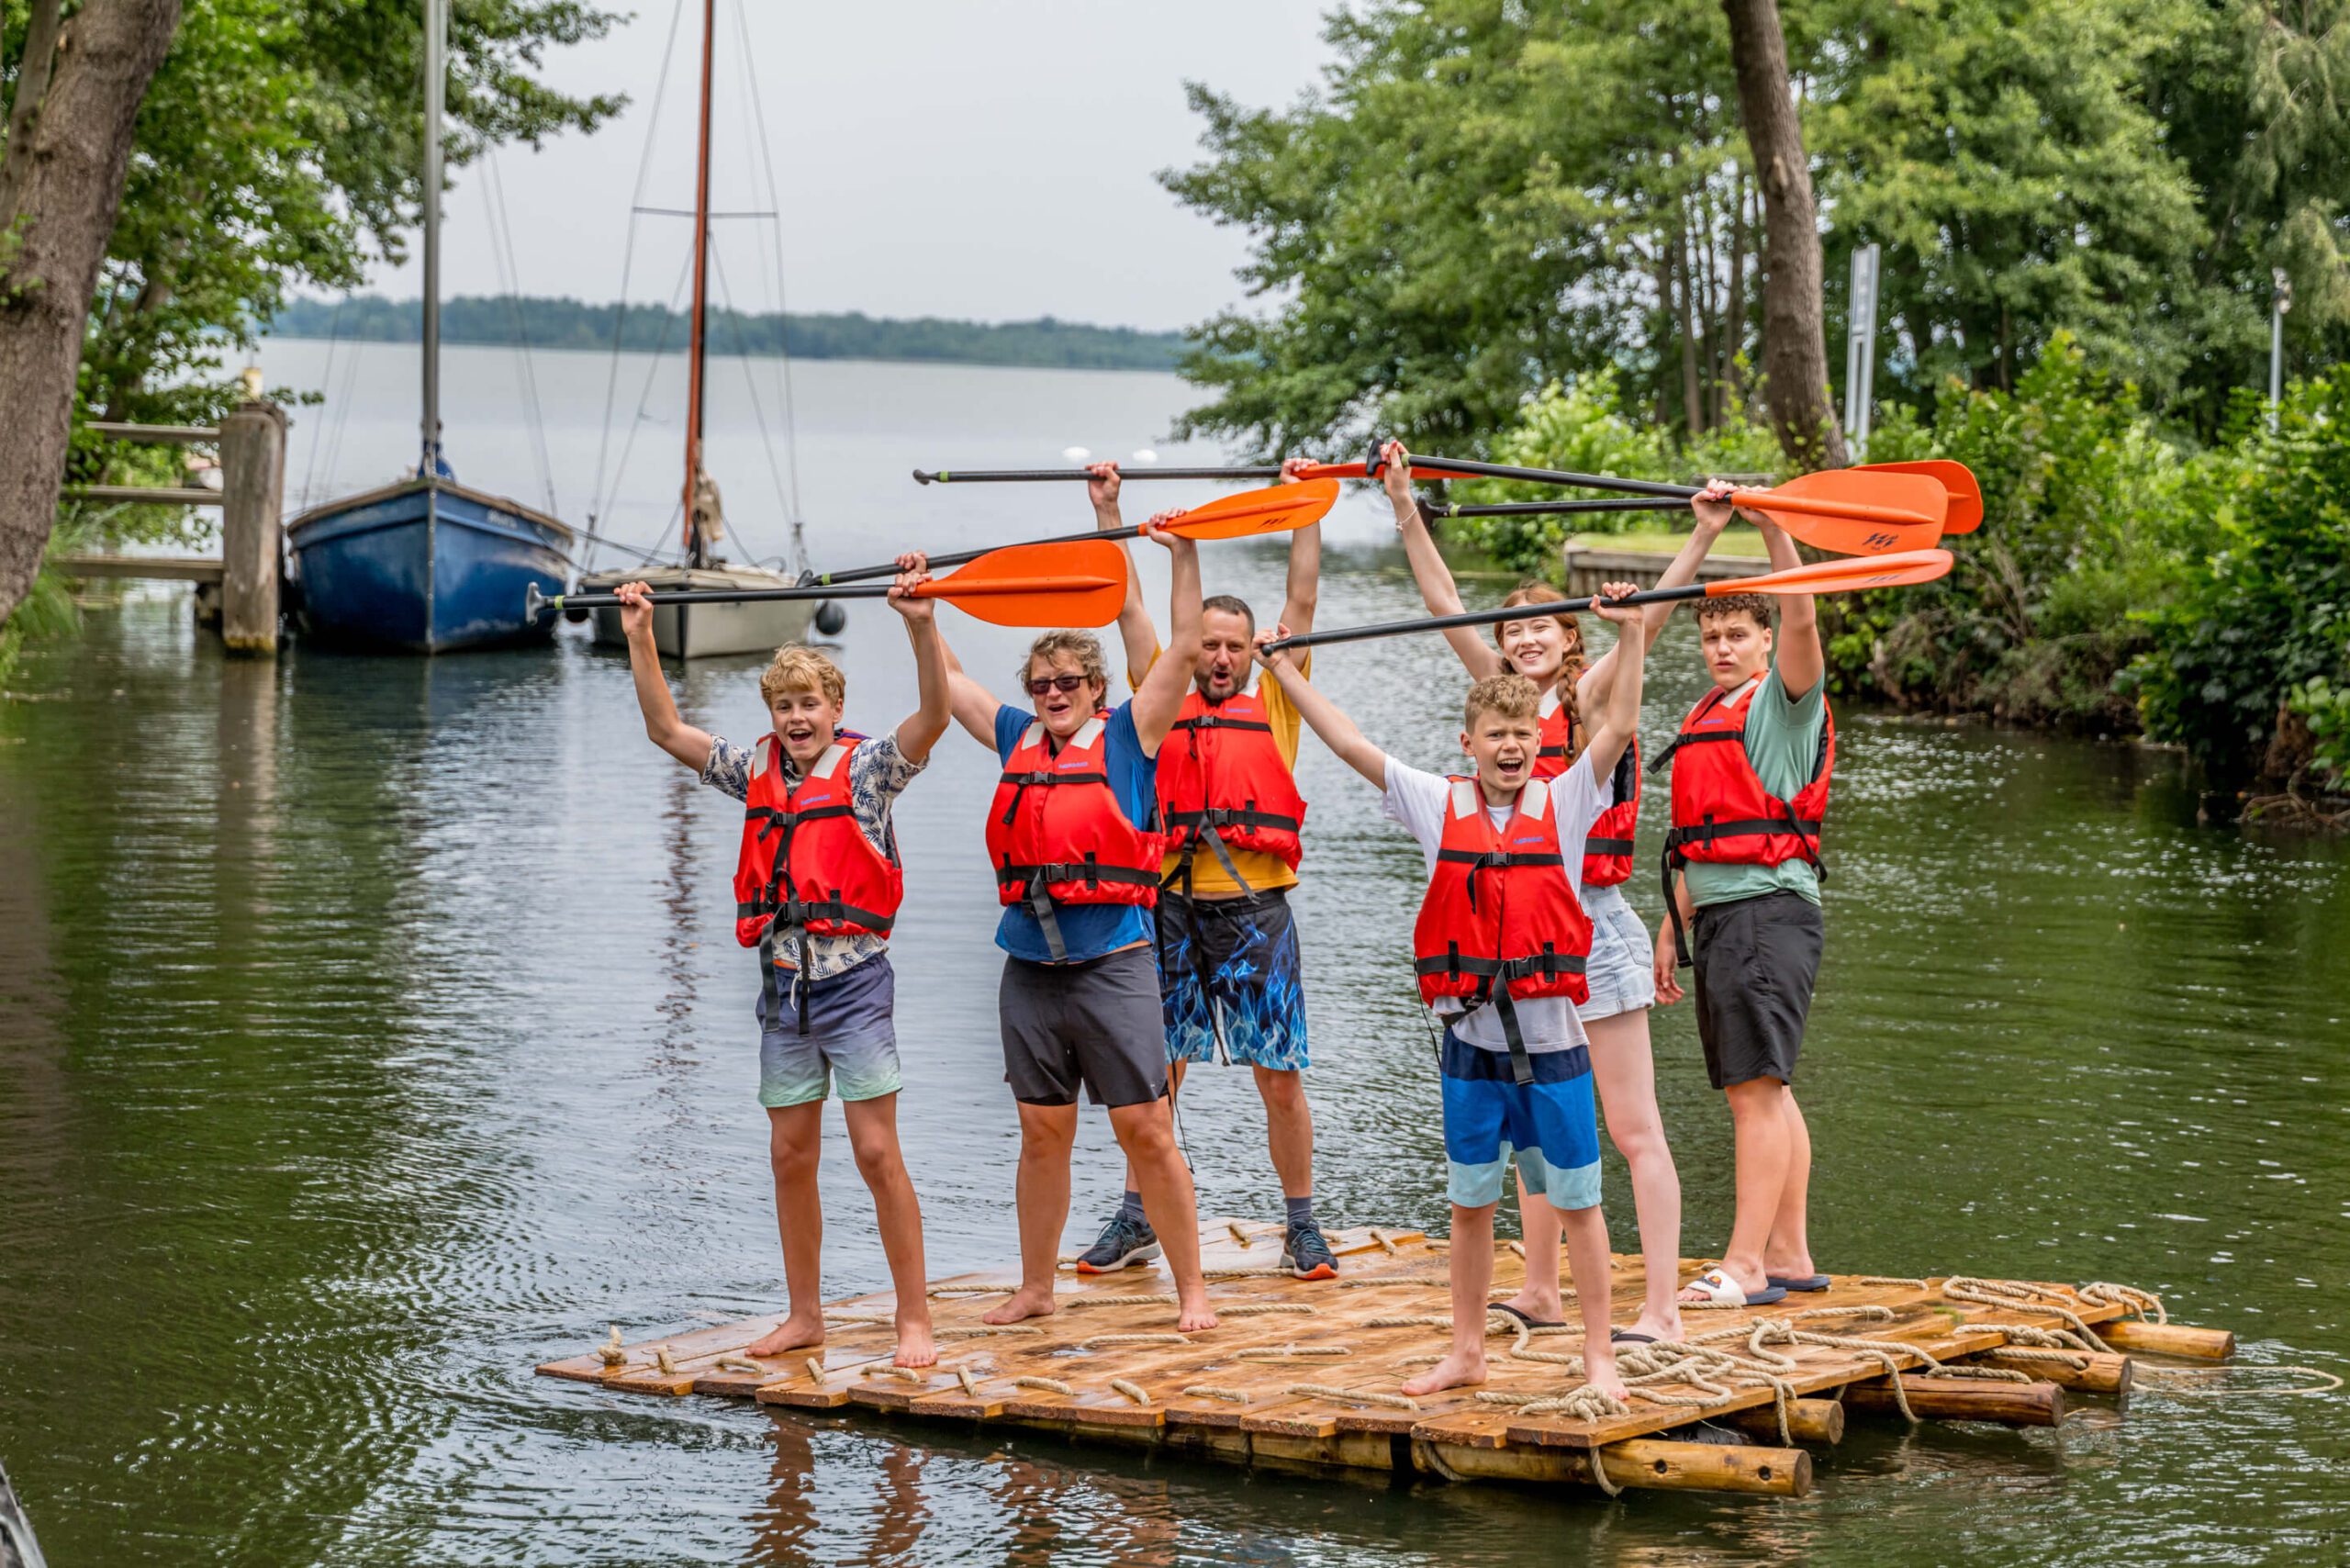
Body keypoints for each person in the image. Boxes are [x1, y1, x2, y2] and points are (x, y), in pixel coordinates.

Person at [1253, 579, 1654, 1400]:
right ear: (1467, 742)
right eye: (1496, 735)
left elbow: (1618, 726)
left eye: (1523, 735)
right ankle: (1465, 1350)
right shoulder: (1439, 805)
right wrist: (1288, 676)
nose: (1512, 747)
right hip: (1470, 1048)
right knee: (1471, 1204)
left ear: (1541, 741)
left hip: (1556, 1047)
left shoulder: (1570, 798)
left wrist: (1635, 633)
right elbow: (1350, 744)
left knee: (1579, 1203)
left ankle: (1599, 1360)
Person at [1385, 438, 1732, 1345]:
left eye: (1542, 627)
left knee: (1629, 1127)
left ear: (1571, 637)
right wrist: (1400, 502)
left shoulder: (1591, 696)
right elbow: (1438, 600)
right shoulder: (1502, 711)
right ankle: (1540, 1290)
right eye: (1513, 632)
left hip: (1594, 929)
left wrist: (1697, 539)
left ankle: (1660, 1310)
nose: (1526, 638)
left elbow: (1647, 625)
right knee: (1536, 1128)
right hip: (1517, 943)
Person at [612, 558, 946, 1368]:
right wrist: (641, 637)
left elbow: (935, 714)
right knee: (791, 1153)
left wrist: (920, 624)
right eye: (786, 705)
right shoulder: (753, 769)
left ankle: (915, 1322)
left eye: (811, 704)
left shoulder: (868, 773)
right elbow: (666, 730)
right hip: (783, 987)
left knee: (875, 1153)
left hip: (855, 981)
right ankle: (805, 1315)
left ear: (836, 710)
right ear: (773, 714)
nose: (799, 718)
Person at [940, 521, 1219, 1333]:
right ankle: (1036, 1287)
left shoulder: (1134, 734)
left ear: (1096, 688)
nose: (1054, 694)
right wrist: (924, 615)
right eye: (1041, 683)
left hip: (1114, 961)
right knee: (1040, 1131)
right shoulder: (1015, 737)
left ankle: (1191, 1287)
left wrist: (1184, 557)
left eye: (1068, 681)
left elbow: (1186, 647)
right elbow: (950, 685)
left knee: (1146, 1127)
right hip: (1029, 965)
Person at [1069, 459, 1337, 1282]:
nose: (1218, 657)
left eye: (1233, 647)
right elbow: (1133, 609)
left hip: (1255, 910)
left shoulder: (1281, 698)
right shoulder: (1161, 694)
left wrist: (1303, 507)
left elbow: (1302, 602)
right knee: (1157, 1076)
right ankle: (1136, 1215)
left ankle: (1302, 1224)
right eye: (1209, 646)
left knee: (1279, 1076)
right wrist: (1114, 512)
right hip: (1172, 912)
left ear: (1254, 653)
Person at [1651, 509, 1832, 1309]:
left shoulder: (1782, 705)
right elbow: (1702, 840)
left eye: (1736, 635)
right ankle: (1788, 1253)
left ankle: (1746, 1265)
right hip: (1725, 911)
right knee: (1770, 1088)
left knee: (1754, 1091)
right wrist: (1672, 923)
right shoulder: (1705, 712)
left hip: (1765, 914)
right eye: (1711, 635)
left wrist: (1772, 527)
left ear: (1763, 643)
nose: (1722, 648)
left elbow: (1803, 609)